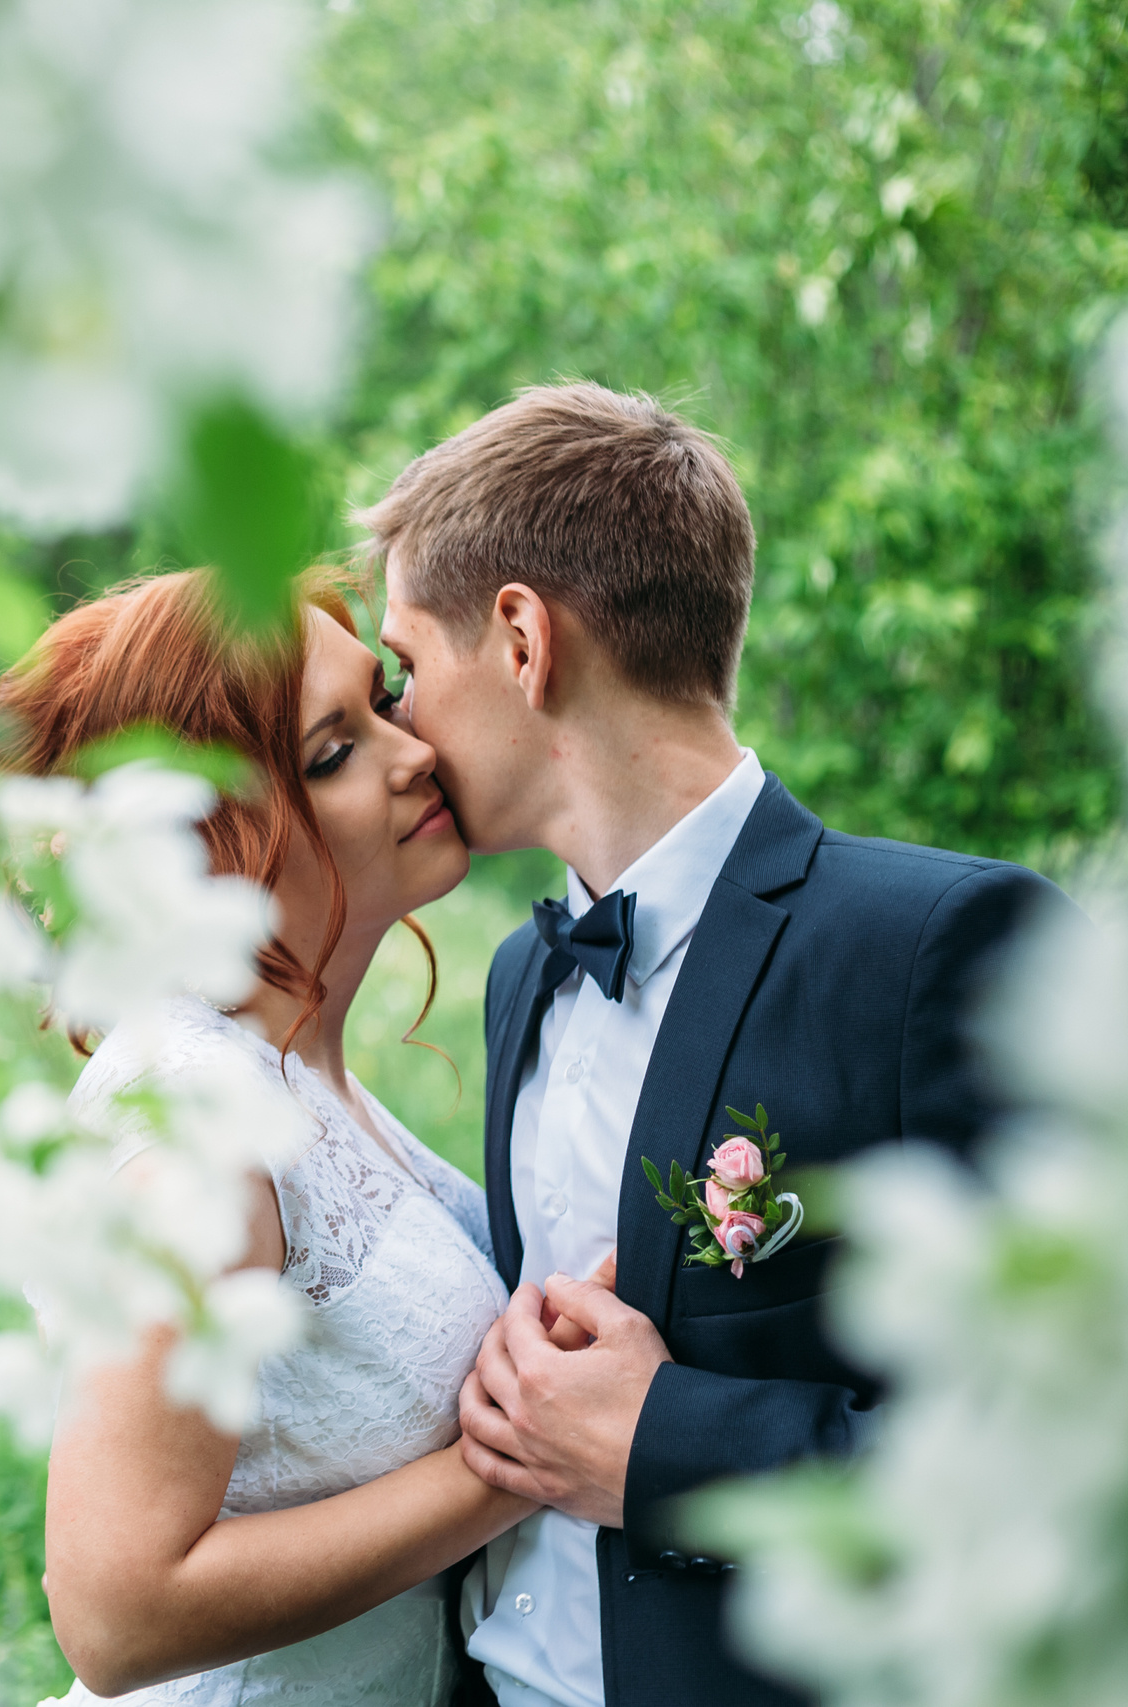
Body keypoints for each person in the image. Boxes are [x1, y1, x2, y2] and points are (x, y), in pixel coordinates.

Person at [366, 382, 1064, 1707]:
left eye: (407, 666)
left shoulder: (940, 948)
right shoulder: (522, 974)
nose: (398, 724)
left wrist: (666, 1440)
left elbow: (1089, 1455)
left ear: (520, 639)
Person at [0, 568, 535, 1705]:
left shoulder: (293, 1080)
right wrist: (509, 1472)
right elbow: (116, 1612)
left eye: (382, 703)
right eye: (332, 752)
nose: (412, 752)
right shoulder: (195, 1125)